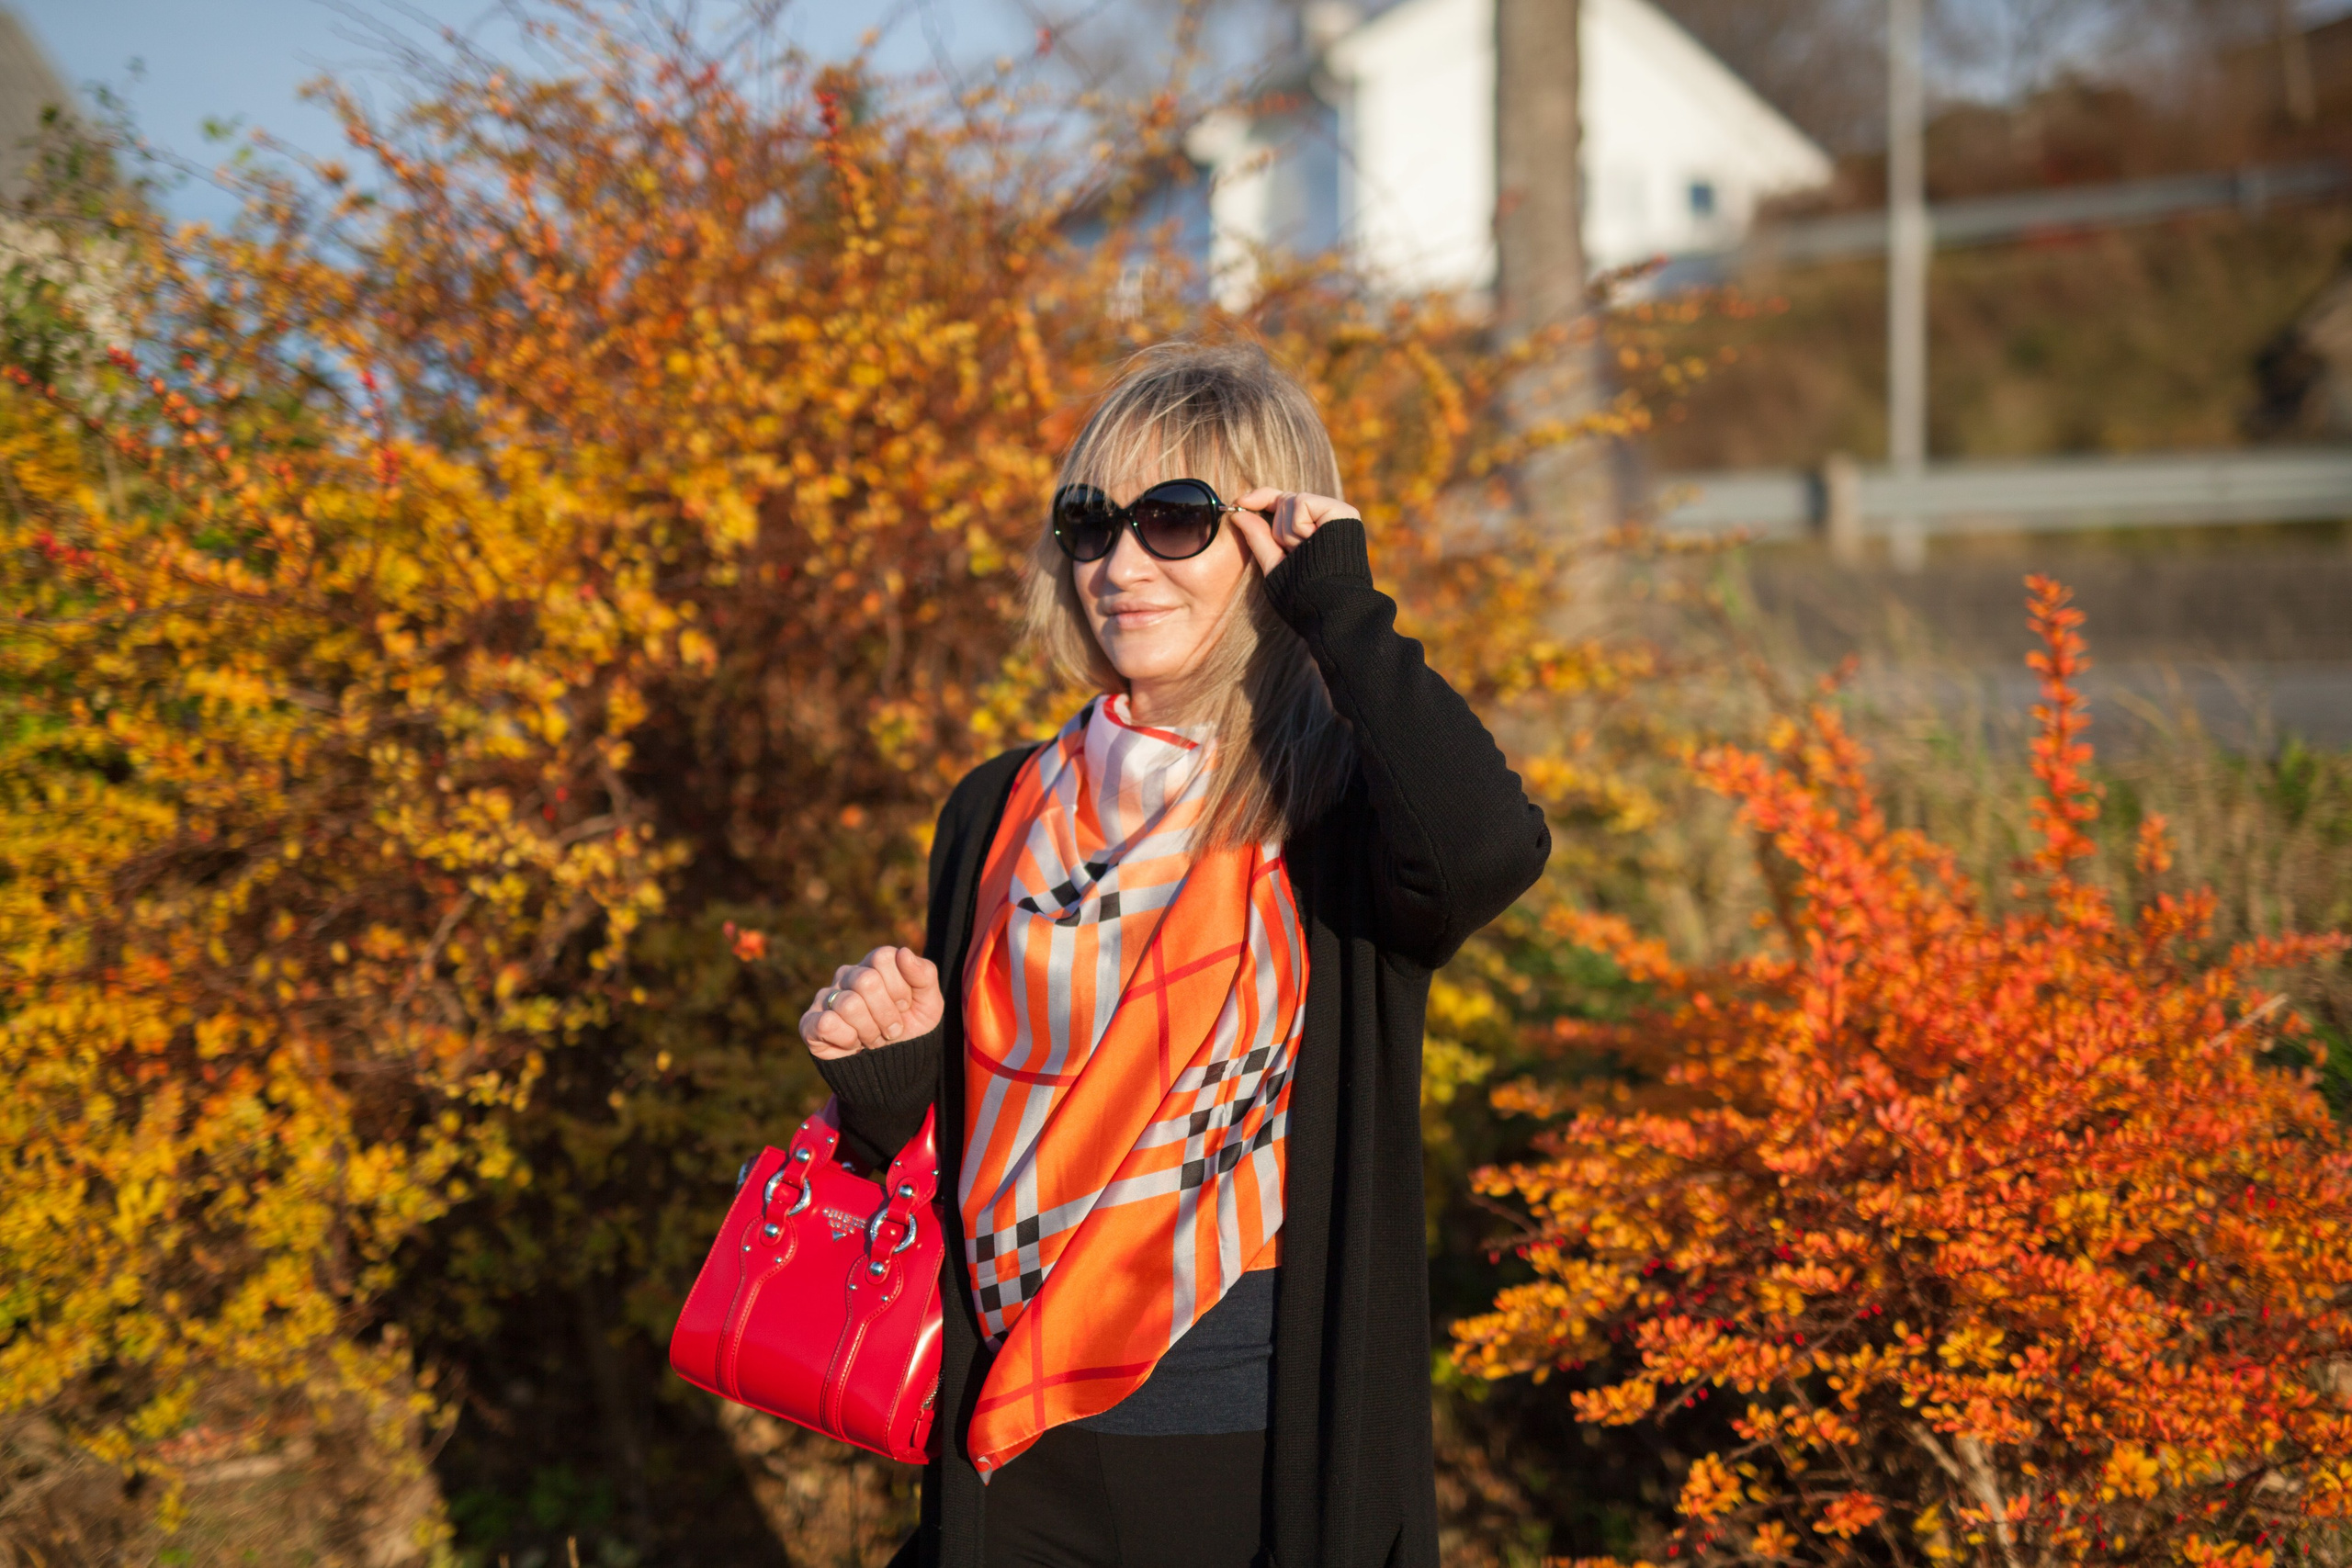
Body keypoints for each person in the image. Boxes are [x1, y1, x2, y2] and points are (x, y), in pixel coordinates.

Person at [797, 341, 1550, 1568]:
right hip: (1006, 1435)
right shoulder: (997, 809)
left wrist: (1339, 606)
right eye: (1091, 524)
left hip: (1245, 1450)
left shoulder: (1335, 810)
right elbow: (959, 1139)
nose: (1121, 564)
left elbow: (1488, 849)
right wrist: (885, 1083)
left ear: (1269, 540)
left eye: (1177, 519)